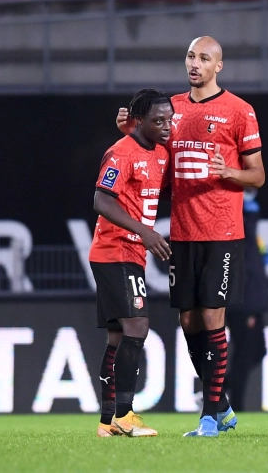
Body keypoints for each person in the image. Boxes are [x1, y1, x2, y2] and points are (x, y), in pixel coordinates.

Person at [116, 36, 265, 437]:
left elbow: (258, 176)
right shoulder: (172, 110)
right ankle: (224, 405)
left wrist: (228, 172)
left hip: (223, 231)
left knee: (213, 318)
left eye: (203, 58)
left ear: (219, 66)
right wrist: (132, 133)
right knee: (188, 320)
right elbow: (150, 159)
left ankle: (208, 417)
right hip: (182, 231)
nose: (194, 63)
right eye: (190, 56)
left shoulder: (239, 111)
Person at [91, 89, 174, 438]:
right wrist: (145, 232)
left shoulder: (160, 153)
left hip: (128, 253)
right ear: (140, 121)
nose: (167, 126)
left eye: (169, 119)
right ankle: (126, 416)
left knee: (116, 337)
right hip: (116, 251)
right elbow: (100, 199)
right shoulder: (121, 153)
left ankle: (107, 422)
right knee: (137, 327)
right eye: (158, 121)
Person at [224, 188, 268, 412]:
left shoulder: (249, 237)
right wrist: (249, 308)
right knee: (244, 354)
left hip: (247, 302)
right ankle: (236, 404)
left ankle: (220, 387)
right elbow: (245, 271)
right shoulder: (241, 235)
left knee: (257, 351)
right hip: (244, 304)